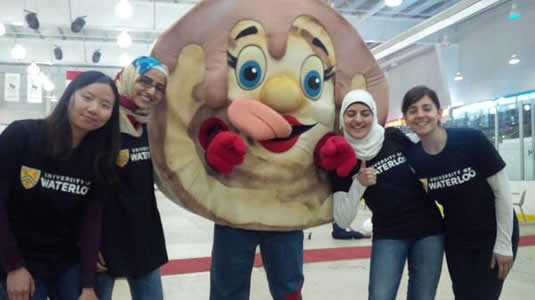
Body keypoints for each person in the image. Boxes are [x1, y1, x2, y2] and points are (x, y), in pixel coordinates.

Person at [0, 71, 121, 300]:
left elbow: (91, 220)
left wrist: (87, 286)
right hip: (17, 259)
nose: (94, 108)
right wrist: (14, 267)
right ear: (69, 96)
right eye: (87, 97)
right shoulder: (22, 135)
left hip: (65, 263)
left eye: (105, 105)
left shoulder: (100, 158)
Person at [401, 86, 520, 300]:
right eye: (413, 110)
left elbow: (502, 191)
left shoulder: (471, 140)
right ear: (405, 119)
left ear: (439, 112)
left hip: (492, 234)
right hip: (457, 240)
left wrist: (503, 243)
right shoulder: (415, 159)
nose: (420, 115)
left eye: (426, 108)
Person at [328, 89, 445, 300]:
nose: (358, 119)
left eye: (365, 113)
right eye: (351, 113)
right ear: (341, 118)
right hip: (388, 235)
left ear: (373, 115)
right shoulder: (342, 158)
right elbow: (342, 218)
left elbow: (424, 163)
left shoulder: (392, 136)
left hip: (429, 232)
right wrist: (359, 185)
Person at [95, 56, 169, 300]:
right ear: (128, 78)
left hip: (142, 235)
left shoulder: (151, 126)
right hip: (102, 238)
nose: (151, 91)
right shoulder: (101, 123)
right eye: (145, 81)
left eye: (159, 87)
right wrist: (87, 242)